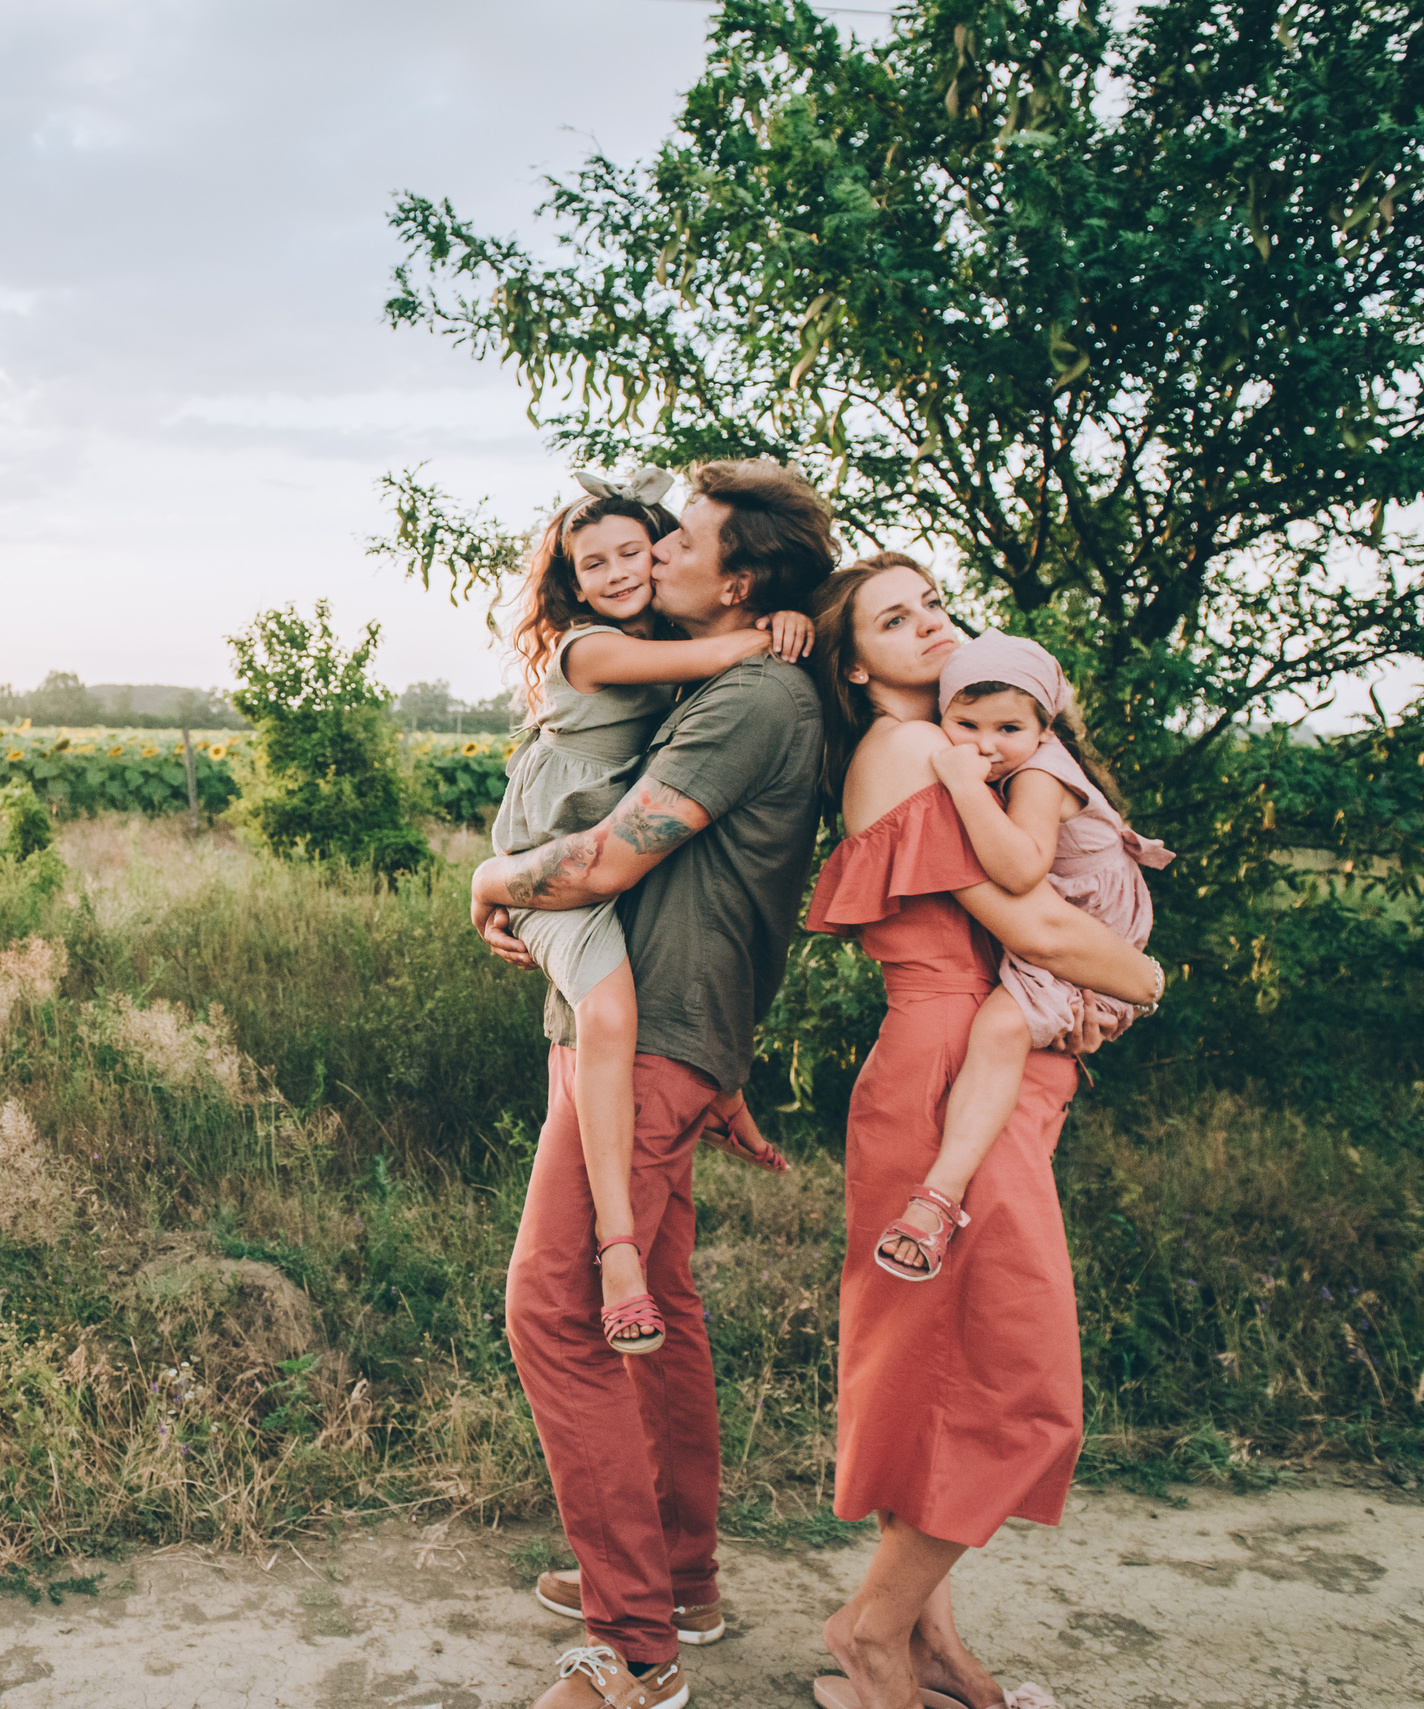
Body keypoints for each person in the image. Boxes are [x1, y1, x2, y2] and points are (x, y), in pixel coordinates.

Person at [473, 458, 835, 1709]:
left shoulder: (751, 694)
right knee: (659, 1306)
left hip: (649, 1044)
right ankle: (676, 1580)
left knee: (555, 1309)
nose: (657, 550)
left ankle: (632, 1649)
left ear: (738, 579)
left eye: (681, 539)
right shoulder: (722, 678)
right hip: (658, 1036)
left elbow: (600, 865)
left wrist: (488, 878)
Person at [802, 553, 1166, 1709]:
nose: (928, 624)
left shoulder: (953, 744)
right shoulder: (917, 746)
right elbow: (1039, 923)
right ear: (852, 665)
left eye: (932, 604)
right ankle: (871, 1631)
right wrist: (1144, 976)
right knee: (1017, 1380)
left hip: (970, 1067)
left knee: (933, 1370)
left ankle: (924, 1640)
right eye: (892, 618)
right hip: (948, 1073)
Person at [490, 468, 801, 1359]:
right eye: (596, 563)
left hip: (595, 867)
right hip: (549, 852)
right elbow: (703, 660)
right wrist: (779, 629)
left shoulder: (677, 647)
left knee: (632, 998)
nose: (625, 570)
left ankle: (696, 1148)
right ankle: (616, 1247)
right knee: (611, 1013)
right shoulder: (589, 649)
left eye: (641, 550)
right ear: (573, 584)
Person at [872, 631, 1175, 1282]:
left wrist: (960, 783)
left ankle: (938, 1199)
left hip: (1094, 932)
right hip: (1078, 927)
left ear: (1044, 728)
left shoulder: (1039, 774)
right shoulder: (1016, 762)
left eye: (1009, 727)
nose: (986, 744)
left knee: (1001, 1029)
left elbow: (1019, 869)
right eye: (966, 724)